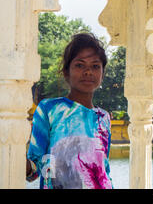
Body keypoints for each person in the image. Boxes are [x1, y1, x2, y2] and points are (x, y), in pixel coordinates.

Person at [26, 32, 113, 189]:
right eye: (80, 65)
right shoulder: (49, 110)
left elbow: (104, 171)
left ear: (102, 73)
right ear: (66, 72)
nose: (88, 72)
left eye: (95, 66)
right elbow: (33, 169)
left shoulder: (103, 118)